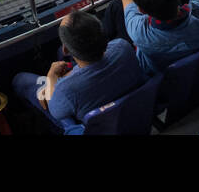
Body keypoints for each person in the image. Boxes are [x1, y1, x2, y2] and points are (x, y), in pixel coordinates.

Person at [10, 11, 145, 134]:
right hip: (133, 114)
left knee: (20, 80)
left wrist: (51, 77)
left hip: (94, 129)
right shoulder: (123, 47)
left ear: (66, 50)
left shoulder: (66, 91)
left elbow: (54, 109)